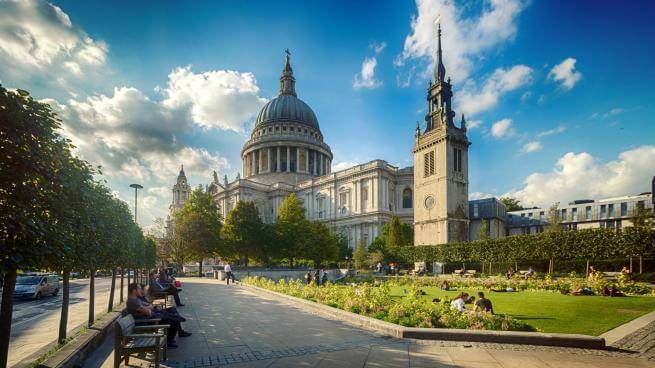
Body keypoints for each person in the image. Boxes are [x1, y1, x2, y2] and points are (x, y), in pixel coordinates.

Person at [127, 283, 191, 348]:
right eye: (139, 288)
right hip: (147, 321)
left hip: (150, 317)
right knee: (173, 321)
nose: (140, 290)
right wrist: (150, 308)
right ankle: (169, 342)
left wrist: (149, 308)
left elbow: (147, 308)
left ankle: (176, 319)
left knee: (172, 315)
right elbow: (147, 312)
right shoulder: (132, 301)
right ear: (134, 290)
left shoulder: (135, 299)